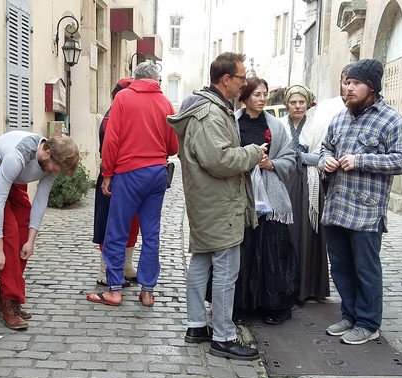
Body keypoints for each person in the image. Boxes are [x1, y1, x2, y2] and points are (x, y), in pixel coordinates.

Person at [168, 52, 266, 360]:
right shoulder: (210, 114)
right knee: (225, 269)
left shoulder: (211, 108)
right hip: (218, 200)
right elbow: (219, 160)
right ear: (225, 80)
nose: (244, 84)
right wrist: (252, 153)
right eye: (241, 78)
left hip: (208, 199)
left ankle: (197, 324)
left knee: (202, 260)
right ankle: (223, 336)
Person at [318, 59, 402, 345]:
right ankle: (349, 315)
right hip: (336, 207)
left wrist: (361, 161)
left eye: (355, 83)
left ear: (371, 88)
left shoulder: (391, 120)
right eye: (347, 83)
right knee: (340, 266)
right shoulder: (339, 118)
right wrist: (326, 161)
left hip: (366, 210)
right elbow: (325, 148)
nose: (348, 88)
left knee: (365, 269)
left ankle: (369, 323)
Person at [86, 61, 178, 307]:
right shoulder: (165, 103)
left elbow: (111, 140)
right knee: (151, 234)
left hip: (128, 173)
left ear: (135, 78)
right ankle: (147, 292)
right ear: (156, 79)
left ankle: (114, 289)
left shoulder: (123, 98)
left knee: (116, 230)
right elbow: (173, 146)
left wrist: (107, 173)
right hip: (157, 173)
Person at [0, 132, 79, 330]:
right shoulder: (17, 156)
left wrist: (31, 240)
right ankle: (10, 302)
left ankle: (5, 296)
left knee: (21, 236)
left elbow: (40, 200)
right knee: (10, 233)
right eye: (56, 167)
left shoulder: (52, 161)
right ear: (47, 152)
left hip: (14, 183)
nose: (56, 172)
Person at [232, 77, 297, 325]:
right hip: (241, 192)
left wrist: (271, 164)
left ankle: (273, 304)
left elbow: (290, 158)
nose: (262, 99)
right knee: (242, 250)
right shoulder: (233, 123)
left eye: (264, 94)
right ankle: (241, 305)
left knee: (272, 250)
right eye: (257, 94)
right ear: (245, 96)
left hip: (269, 195)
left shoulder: (276, 126)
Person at [281, 84, 331, 304]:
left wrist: (298, 156)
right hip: (285, 181)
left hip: (309, 183)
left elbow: (322, 157)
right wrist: (293, 156)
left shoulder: (318, 125)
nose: (298, 106)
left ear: (308, 104)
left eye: (301, 102)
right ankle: (285, 285)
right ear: (287, 104)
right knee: (287, 232)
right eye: (293, 102)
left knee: (308, 233)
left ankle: (307, 287)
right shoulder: (280, 124)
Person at [92, 78, 140, 287]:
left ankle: (126, 266)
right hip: (112, 175)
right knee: (109, 225)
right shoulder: (112, 117)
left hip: (128, 175)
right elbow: (109, 149)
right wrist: (108, 176)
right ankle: (105, 271)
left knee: (131, 225)